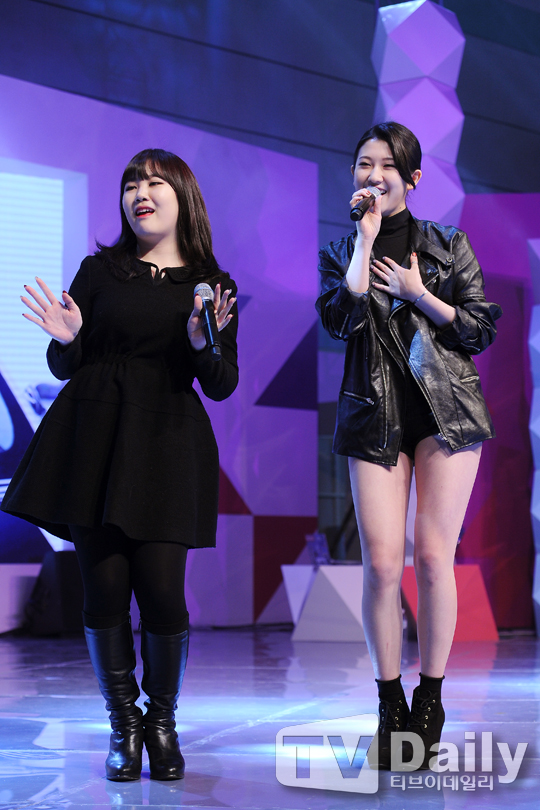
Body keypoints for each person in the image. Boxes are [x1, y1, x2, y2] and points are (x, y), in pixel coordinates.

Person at [1, 149, 238, 781]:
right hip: (94, 441)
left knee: (162, 591)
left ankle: (162, 722)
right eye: (132, 183)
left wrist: (202, 344)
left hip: (167, 443)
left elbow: (221, 383)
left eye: (154, 182)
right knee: (103, 588)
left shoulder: (211, 285)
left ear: (183, 196)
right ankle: (124, 724)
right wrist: (66, 338)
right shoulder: (99, 270)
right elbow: (65, 365)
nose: (140, 192)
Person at [316, 122, 501, 771]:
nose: (373, 175)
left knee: (431, 556)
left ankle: (431, 698)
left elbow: (480, 327)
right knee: (382, 563)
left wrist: (423, 296)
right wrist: (365, 242)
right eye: (364, 164)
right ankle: (389, 700)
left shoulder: (449, 245)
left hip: (446, 414)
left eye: (387, 166)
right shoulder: (343, 249)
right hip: (375, 417)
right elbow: (340, 319)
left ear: (413, 178)